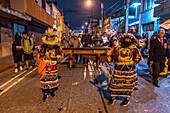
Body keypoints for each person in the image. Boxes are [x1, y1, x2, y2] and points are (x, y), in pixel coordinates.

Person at [107, 33, 141, 106]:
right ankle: (113, 97)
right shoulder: (117, 47)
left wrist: (134, 62)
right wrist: (110, 58)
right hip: (118, 68)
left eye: (129, 39)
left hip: (129, 69)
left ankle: (127, 99)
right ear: (122, 40)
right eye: (126, 39)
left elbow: (137, 57)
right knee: (115, 83)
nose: (127, 41)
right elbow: (113, 55)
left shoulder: (134, 48)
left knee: (128, 84)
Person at [38, 28, 62, 102]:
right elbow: (40, 55)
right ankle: (45, 93)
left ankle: (52, 91)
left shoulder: (57, 47)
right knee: (45, 79)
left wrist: (56, 57)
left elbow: (60, 55)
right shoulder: (43, 47)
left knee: (52, 79)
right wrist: (43, 56)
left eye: (51, 37)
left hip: (53, 65)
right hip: (45, 65)